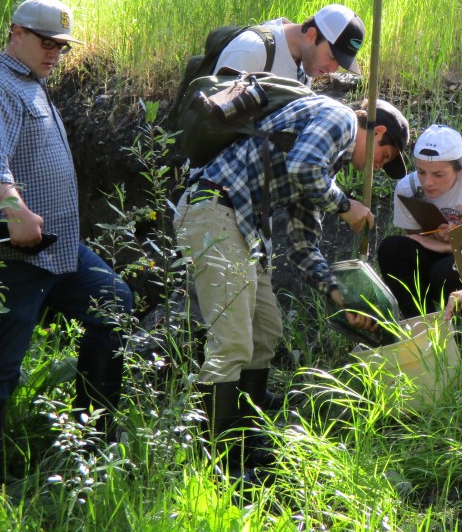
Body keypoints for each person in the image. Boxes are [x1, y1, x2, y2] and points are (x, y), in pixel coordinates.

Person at [173, 95, 409, 476]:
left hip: (245, 229)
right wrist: (346, 205)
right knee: (232, 341)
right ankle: (217, 464)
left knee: (266, 330)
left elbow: (303, 248)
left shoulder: (324, 171)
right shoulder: (341, 119)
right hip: (213, 210)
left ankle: (245, 442)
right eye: (386, 155)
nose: (381, 167)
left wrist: (340, 297)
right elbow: (303, 166)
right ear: (377, 131)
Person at [0, 0, 134, 487]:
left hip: (52, 247)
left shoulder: (27, 82)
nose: (55, 52)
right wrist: (14, 210)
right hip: (9, 252)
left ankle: (89, 447)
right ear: (15, 32)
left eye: (62, 46)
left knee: (114, 302)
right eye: (46, 42)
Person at [378, 124, 462, 339]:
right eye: (421, 172)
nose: (428, 182)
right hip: (439, 253)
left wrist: (458, 241)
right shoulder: (407, 188)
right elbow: (414, 239)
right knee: (391, 249)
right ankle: (424, 330)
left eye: (438, 174)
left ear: (459, 168)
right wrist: (442, 241)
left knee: (446, 271)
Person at [214, 4, 365, 81]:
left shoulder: (304, 68)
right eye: (332, 57)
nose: (333, 69)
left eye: (340, 63)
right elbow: (212, 118)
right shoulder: (251, 50)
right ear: (311, 34)